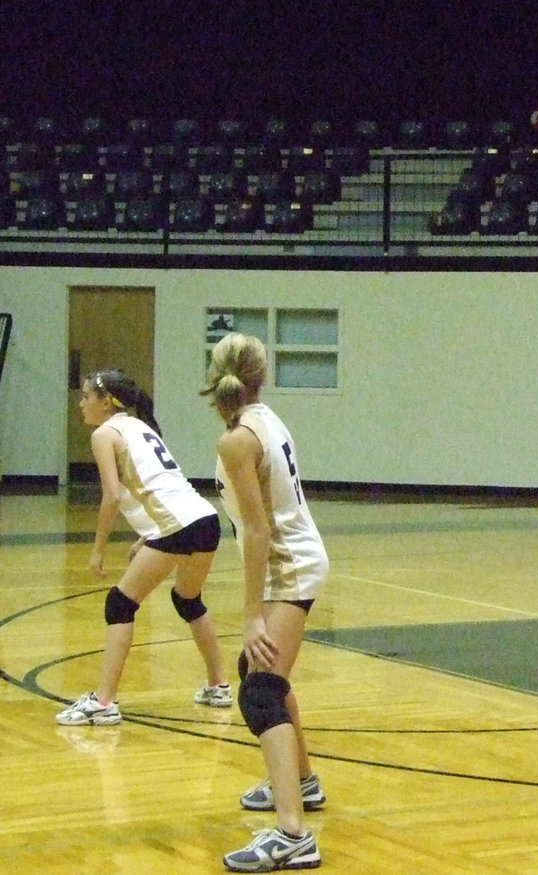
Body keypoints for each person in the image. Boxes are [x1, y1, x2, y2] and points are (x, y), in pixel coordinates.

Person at [203, 332, 327, 872]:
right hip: (295, 559)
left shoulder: (237, 440)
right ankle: (303, 780)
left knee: (258, 690)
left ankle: (293, 833)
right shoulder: (262, 418)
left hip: (288, 565)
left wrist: (251, 613)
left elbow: (257, 529)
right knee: (264, 677)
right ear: (261, 375)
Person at [56, 370, 228, 726]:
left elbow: (113, 495)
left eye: (86, 396)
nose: (81, 403)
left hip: (179, 525)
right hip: (205, 519)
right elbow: (165, 489)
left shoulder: (105, 433)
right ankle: (219, 685)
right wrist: (149, 536)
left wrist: (97, 550)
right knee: (187, 600)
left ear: (106, 402)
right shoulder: (140, 427)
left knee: (119, 603)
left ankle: (103, 703)